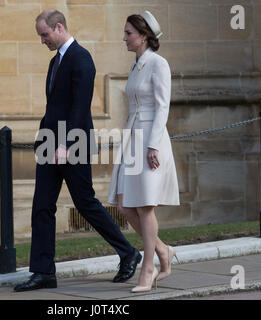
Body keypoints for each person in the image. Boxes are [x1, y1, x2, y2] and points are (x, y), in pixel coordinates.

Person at [14, 10, 141, 292]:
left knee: (85, 203)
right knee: (41, 207)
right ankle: (43, 272)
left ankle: (128, 252)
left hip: (73, 144)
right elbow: (54, 107)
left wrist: (65, 144)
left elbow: (79, 107)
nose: (42, 40)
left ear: (59, 27)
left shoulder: (81, 58)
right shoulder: (55, 62)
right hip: (50, 144)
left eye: (45, 35)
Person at [107, 11, 180, 293]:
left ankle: (148, 268)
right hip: (132, 138)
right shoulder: (136, 64)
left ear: (144, 35)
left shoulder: (158, 64)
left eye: (128, 33)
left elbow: (162, 106)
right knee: (125, 204)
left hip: (152, 139)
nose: (124, 38)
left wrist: (152, 145)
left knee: (145, 205)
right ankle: (163, 251)